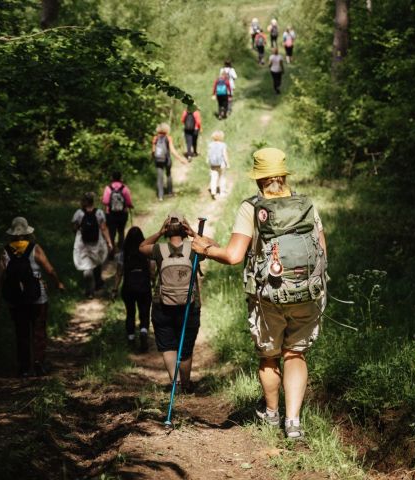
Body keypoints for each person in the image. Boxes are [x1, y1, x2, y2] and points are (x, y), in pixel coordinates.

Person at [190, 148, 328, 441]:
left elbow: (234, 256)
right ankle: (293, 424)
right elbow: (322, 252)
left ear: (259, 178)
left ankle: (271, 414)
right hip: (307, 293)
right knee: (296, 353)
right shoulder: (306, 205)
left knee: (269, 357)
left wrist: (206, 250)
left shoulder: (252, 207)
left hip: (269, 296)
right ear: (283, 174)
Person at [0, 216, 64, 377]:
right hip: (37, 296)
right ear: (26, 232)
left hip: (15, 298)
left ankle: (23, 368)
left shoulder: (5, 251)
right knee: (38, 330)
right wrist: (58, 283)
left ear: (13, 233)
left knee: (21, 332)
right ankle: (38, 363)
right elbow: (49, 269)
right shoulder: (35, 248)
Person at [139, 213, 202, 392]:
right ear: (184, 229)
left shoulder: (159, 249)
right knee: (186, 347)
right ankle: (186, 384)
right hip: (190, 305)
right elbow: (214, 246)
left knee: (168, 346)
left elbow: (141, 246)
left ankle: (176, 384)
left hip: (162, 305)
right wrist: (194, 233)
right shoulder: (194, 248)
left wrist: (159, 233)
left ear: (167, 230)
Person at [113, 226, 153, 352]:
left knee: (130, 313)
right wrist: (153, 280)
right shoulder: (146, 252)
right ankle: (143, 331)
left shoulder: (123, 253)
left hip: (128, 287)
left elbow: (119, 273)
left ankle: (130, 338)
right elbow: (152, 268)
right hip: (144, 286)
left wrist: (114, 289)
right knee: (144, 311)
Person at [72, 192, 113, 298]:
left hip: (82, 243)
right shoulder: (99, 212)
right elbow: (104, 228)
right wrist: (109, 241)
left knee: (86, 266)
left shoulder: (79, 213)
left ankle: (89, 290)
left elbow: (74, 227)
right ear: (92, 201)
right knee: (97, 261)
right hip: (96, 242)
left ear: (84, 201)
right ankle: (98, 283)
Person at [152, 123, 187, 202]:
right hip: (167, 160)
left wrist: (153, 158)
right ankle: (170, 192)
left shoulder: (155, 138)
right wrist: (180, 159)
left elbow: (153, 150)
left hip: (158, 160)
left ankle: (160, 196)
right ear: (167, 130)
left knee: (159, 177)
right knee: (168, 174)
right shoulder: (168, 138)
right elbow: (172, 150)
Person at [102, 171, 134, 255]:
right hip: (122, 214)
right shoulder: (124, 188)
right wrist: (130, 206)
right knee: (121, 232)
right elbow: (128, 202)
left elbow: (105, 201)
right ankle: (121, 251)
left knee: (111, 233)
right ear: (120, 178)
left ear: (112, 178)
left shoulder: (108, 188)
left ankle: (111, 252)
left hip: (110, 214)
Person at [207, 130, 229, 200]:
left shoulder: (210, 145)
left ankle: (213, 192)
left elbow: (208, 154)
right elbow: (225, 155)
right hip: (221, 164)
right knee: (222, 177)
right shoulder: (223, 145)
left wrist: (208, 161)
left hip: (213, 164)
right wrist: (228, 163)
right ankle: (222, 192)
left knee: (213, 178)